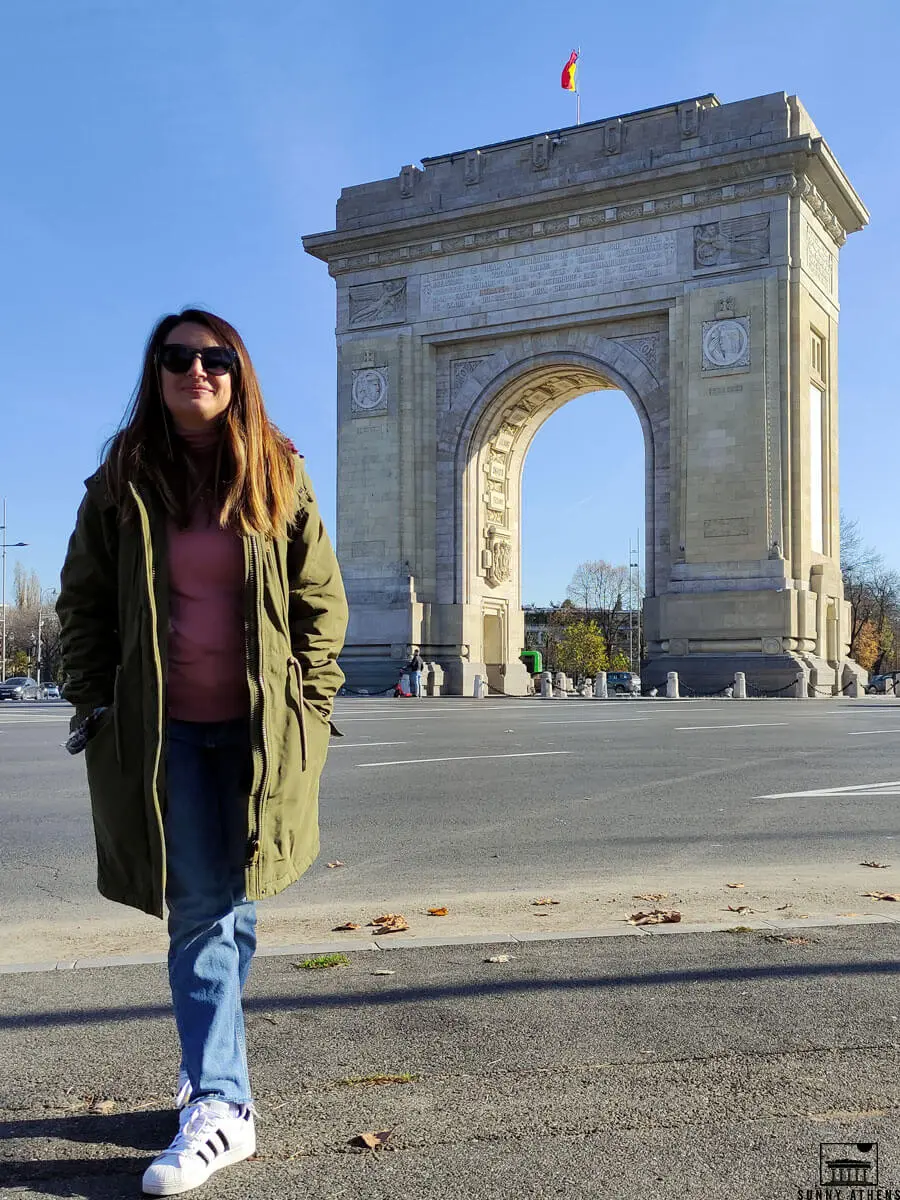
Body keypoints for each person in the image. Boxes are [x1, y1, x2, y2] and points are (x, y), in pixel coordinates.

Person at [56, 308, 348, 1196]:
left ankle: (206, 1068)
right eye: (178, 358)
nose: (198, 371)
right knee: (203, 908)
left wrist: (311, 702)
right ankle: (223, 1101)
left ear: (239, 372)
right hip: (162, 733)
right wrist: (97, 702)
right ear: (156, 372)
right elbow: (83, 606)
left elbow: (318, 601)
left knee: (233, 904)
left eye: (215, 358)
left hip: (259, 731)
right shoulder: (118, 483)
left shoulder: (279, 472)